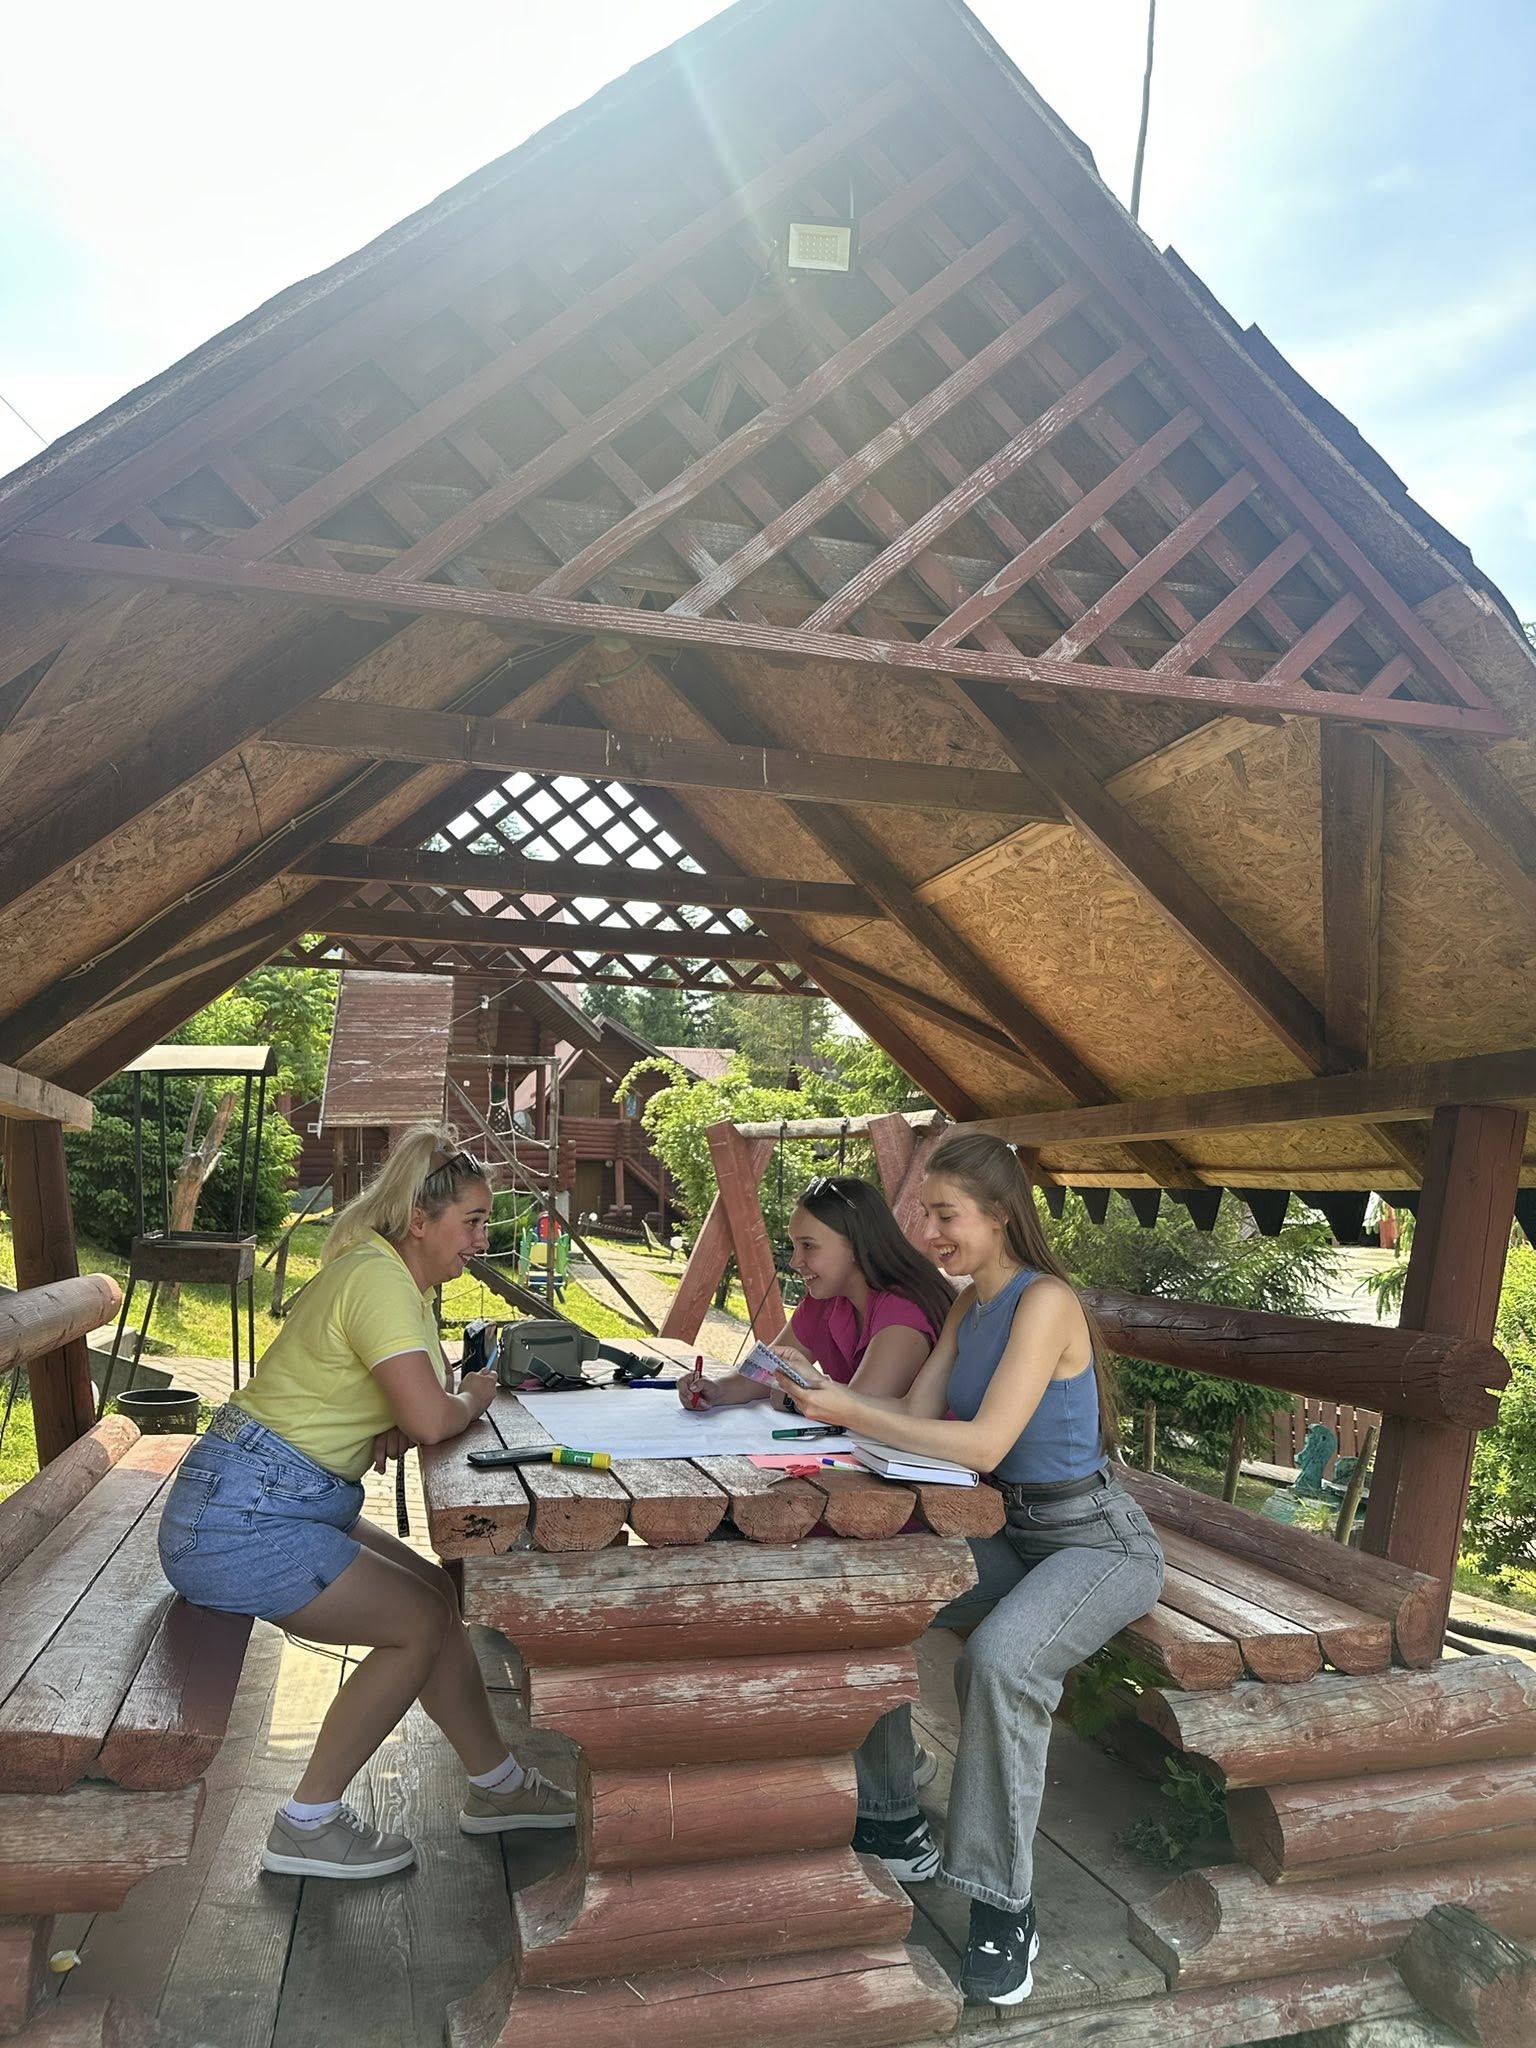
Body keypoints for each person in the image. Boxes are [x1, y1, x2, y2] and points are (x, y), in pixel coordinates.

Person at [776, 1133, 1164, 2008]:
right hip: (1008, 1529)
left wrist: (846, 1409)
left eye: (946, 1216)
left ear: (999, 1215)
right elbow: (910, 1414)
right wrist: (815, 1390)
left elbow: (983, 1443)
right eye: (926, 1215)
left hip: (1097, 1543)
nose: (929, 1234)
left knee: (998, 1662)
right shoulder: (965, 1307)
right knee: (876, 1598)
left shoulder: (1045, 1301)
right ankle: (890, 1817)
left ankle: (1003, 1906)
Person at [156, 1124, 575, 1882]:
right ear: (420, 1221)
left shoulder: (394, 1277)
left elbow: (410, 1402)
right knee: (417, 1624)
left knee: (435, 1596)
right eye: (472, 1222)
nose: (481, 1239)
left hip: (273, 1494)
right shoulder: (379, 1281)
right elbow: (434, 1417)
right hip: (240, 1518)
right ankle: (306, 1823)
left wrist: (406, 1412)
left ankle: (498, 1786)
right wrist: (477, 1393)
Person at [677, 1175, 953, 1407]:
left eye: (808, 1246)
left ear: (857, 1245)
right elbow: (763, 1374)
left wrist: (791, 1398)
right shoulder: (826, 1299)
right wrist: (716, 1390)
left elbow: (858, 1413)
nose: (794, 1261)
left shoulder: (903, 1310)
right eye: (794, 1246)